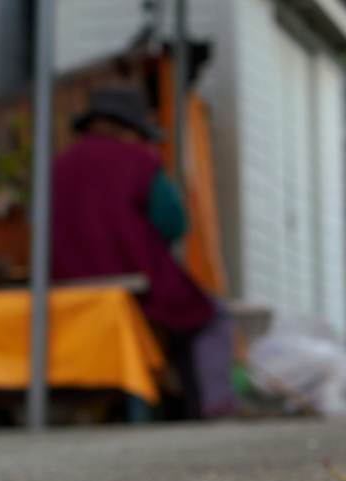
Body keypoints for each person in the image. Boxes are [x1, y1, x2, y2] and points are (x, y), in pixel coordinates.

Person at [51, 85, 237, 419]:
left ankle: (183, 405)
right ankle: (214, 404)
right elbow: (173, 221)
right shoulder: (139, 160)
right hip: (134, 283)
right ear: (129, 130)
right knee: (210, 316)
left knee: (186, 319)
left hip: (69, 289)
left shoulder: (57, 166)